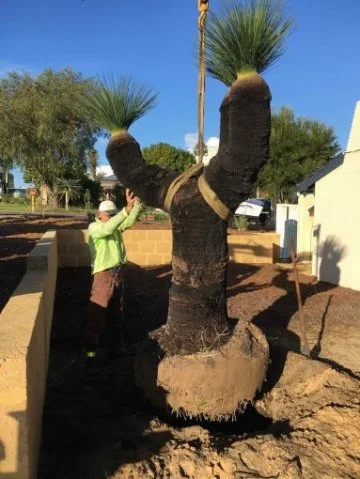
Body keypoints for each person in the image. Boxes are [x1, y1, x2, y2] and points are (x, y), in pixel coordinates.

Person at [84, 189, 141, 367]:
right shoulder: (95, 228)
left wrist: (137, 205)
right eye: (109, 214)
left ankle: (116, 350)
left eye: (113, 214)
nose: (112, 217)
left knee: (117, 315)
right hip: (103, 277)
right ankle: (90, 355)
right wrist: (125, 210)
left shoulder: (114, 226)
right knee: (97, 316)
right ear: (100, 215)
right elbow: (109, 227)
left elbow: (128, 220)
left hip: (117, 275)